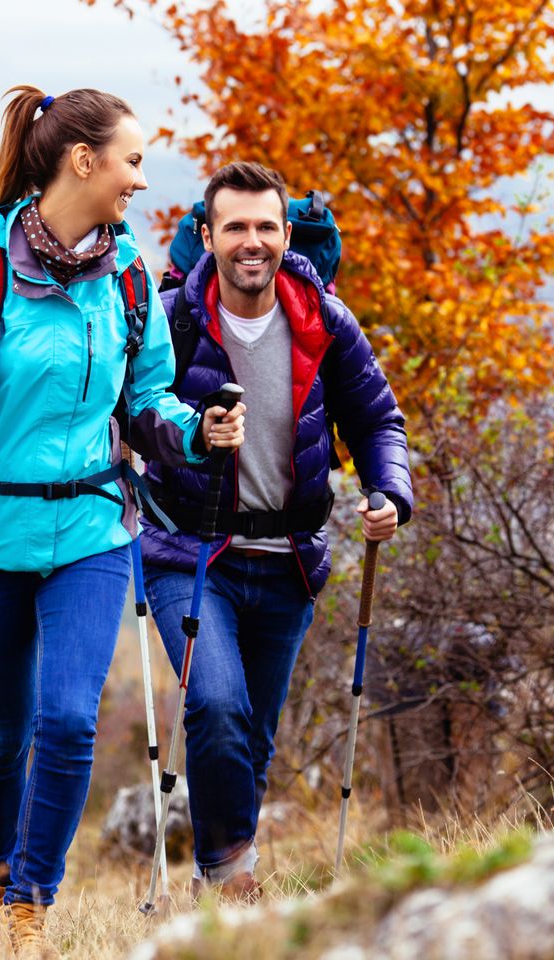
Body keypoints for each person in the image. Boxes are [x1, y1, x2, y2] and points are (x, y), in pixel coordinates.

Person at [0, 86, 245, 957]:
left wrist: (197, 431)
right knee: (1, 731)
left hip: (90, 530)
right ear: (83, 160)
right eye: (133, 161)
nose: (143, 182)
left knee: (70, 718)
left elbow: (148, 397)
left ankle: (32, 903)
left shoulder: (128, 276)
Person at [134, 160, 412, 901]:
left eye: (265, 227)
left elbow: (378, 418)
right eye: (235, 227)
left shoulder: (325, 319)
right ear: (208, 235)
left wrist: (391, 491)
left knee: (252, 737)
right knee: (217, 703)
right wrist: (189, 433)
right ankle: (233, 881)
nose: (250, 241)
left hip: (289, 556)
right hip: (188, 552)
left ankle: (214, 883)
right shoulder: (173, 321)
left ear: (287, 235)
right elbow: (135, 416)